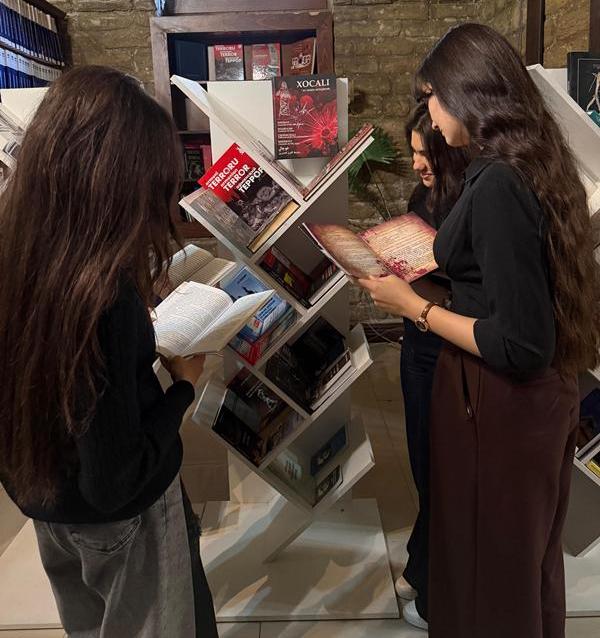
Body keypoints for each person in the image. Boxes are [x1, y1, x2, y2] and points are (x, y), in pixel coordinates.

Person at [358, 24, 600, 638]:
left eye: (434, 98)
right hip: (522, 405)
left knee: (492, 577)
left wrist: (414, 307)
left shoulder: (498, 183)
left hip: (501, 406)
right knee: (518, 569)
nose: (433, 116)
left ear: (470, 94)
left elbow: (520, 343)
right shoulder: (531, 163)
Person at [0, 66, 218, 637]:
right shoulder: (101, 296)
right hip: (123, 524)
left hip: (46, 505)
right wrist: (183, 388)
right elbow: (115, 480)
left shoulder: (18, 252)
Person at [396, 103, 468, 629]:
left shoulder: (475, 200)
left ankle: (433, 591)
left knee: (442, 471)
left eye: (426, 152)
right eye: (414, 152)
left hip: (449, 342)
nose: (417, 163)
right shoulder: (422, 197)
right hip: (417, 342)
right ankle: (421, 565)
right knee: (423, 463)